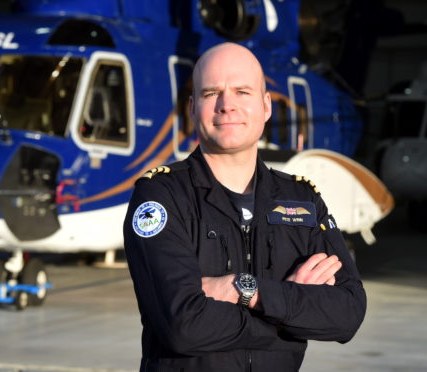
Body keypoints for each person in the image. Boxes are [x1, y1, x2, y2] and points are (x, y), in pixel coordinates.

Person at [123, 42, 366, 372]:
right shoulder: (161, 197)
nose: (227, 105)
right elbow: (183, 326)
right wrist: (286, 313)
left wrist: (243, 289)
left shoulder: (302, 199)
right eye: (211, 93)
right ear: (192, 108)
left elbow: (347, 314)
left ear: (266, 106)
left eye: (242, 91)